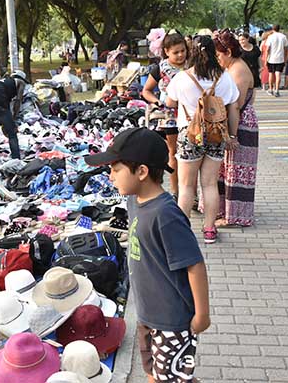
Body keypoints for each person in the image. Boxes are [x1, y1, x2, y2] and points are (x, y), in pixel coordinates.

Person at [83, 127, 210, 383]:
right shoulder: (134, 199)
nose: (110, 177)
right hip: (146, 312)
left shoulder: (166, 215)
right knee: (156, 374)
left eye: (116, 170)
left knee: (174, 379)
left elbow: (194, 265)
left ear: (141, 172)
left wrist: (202, 314)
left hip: (172, 320)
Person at [166, 35, 240, 244]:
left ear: (191, 52)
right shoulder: (224, 77)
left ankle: (183, 231)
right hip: (216, 135)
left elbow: (170, 102)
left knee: (186, 186)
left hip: (189, 134)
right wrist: (232, 136)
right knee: (209, 184)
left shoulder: (182, 78)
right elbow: (233, 107)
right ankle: (209, 230)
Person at [214, 30, 259, 227]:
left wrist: (229, 133)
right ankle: (224, 210)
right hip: (233, 122)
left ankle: (235, 215)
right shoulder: (231, 68)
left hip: (240, 123)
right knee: (227, 169)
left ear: (229, 52)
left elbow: (237, 104)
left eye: (218, 55)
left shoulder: (238, 69)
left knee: (237, 170)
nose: (217, 60)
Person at [142, 32, 187, 198]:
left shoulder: (193, 65)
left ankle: (191, 192)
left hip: (192, 115)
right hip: (171, 117)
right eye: (176, 52)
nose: (181, 55)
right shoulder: (161, 68)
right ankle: (177, 191)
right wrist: (157, 102)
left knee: (192, 154)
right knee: (174, 152)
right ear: (166, 51)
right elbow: (146, 91)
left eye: (183, 50)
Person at [264, 24, 288, 97]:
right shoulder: (283, 37)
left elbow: (267, 49)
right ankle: (277, 90)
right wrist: (285, 58)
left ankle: (271, 89)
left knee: (271, 74)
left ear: (272, 29)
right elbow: (286, 48)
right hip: (280, 58)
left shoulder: (270, 37)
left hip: (271, 59)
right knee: (278, 75)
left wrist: (265, 59)